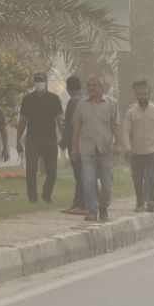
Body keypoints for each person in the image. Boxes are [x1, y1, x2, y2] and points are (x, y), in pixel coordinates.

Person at [70, 76, 121, 221]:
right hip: (87, 149)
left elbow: (115, 125)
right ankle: (92, 210)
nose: (91, 88)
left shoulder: (111, 103)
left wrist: (118, 143)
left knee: (106, 183)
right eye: (89, 85)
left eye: (94, 85)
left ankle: (103, 207)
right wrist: (74, 148)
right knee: (88, 180)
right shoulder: (81, 105)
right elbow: (76, 128)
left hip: (105, 149)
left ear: (101, 87)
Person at [16, 72, 64, 204]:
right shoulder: (28, 99)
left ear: (46, 82)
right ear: (34, 82)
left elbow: (60, 119)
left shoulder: (54, 99)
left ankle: (46, 194)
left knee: (52, 171)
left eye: (41, 80)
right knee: (31, 170)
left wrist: (65, 138)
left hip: (50, 139)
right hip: (32, 140)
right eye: (37, 80)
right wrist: (18, 141)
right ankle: (32, 197)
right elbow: (22, 121)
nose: (39, 82)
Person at [123, 81, 154, 213]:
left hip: (153, 149)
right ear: (136, 94)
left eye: (145, 94)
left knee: (151, 175)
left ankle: (151, 201)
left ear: (149, 94)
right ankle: (140, 202)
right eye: (140, 94)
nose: (143, 96)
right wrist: (127, 146)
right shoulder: (131, 112)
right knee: (137, 177)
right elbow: (125, 129)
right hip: (136, 151)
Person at [59, 75, 86, 215]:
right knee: (83, 172)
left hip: (75, 143)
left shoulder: (73, 102)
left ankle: (81, 203)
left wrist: (64, 142)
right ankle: (79, 202)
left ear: (68, 88)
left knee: (79, 173)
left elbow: (70, 125)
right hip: (86, 142)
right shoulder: (85, 99)